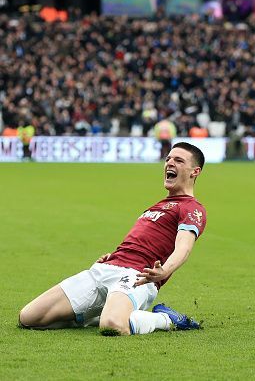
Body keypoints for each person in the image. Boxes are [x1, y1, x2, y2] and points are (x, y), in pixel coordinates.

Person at [19, 142, 208, 335]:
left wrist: (164, 271)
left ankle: (166, 319)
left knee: (113, 325)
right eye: (168, 158)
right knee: (29, 317)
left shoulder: (192, 208)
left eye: (178, 160)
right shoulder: (156, 206)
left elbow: (183, 247)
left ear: (195, 171)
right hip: (104, 269)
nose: (169, 163)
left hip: (137, 275)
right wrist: (115, 256)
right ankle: (99, 314)